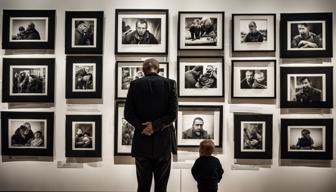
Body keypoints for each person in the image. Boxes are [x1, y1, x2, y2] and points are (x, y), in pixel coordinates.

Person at [124, 58, 178, 192]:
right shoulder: (170, 84)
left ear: (143, 70)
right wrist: (154, 126)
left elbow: (128, 114)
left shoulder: (135, 84)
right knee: (161, 187)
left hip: (142, 141)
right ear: (158, 70)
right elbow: (172, 114)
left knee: (143, 186)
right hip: (164, 141)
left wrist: (145, 128)